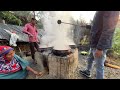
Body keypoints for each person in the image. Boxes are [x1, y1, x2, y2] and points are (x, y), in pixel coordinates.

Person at [80, 11, 119, 79]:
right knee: (90, 58)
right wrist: (88, 26)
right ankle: (87, 71)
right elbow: (98, 24)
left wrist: (100, 48)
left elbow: (108, 29)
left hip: (99, 44)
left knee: (99, 66)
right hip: (95, 41)